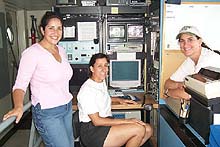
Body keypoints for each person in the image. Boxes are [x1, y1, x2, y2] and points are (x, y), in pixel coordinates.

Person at [3, 11, 74, 147]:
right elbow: (19, 85)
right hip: (48, 112)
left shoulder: (62, 50)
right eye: (51, 28)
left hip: (67, 107)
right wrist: (18, 106)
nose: (56, 32)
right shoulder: (32, 53)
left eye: (59, 28)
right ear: (42, 30)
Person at [77, 53, 153, 147]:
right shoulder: (87, 90)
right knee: (139, 129)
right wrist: (128, 121)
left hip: (104, 124)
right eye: (99, 66)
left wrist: (119, 99)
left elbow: (101, 97)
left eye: (106, 65)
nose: (104, 69)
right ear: (92, 69)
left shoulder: (100, 81)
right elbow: (97, 121)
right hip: (92, 131)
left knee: (148, 129)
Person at [164, 26, 220, 100]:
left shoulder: (208, 60)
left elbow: (190, 96)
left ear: (200, 41)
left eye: (190, 40)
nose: (185, 45)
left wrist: (168, 92)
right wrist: (181, 84)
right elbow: (167, 83)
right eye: (182, 41)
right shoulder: (190, 59)